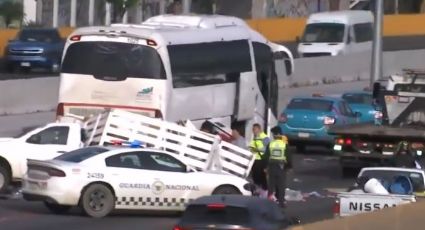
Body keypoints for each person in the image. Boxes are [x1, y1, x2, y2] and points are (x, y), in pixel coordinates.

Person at [263, 126, 291, 208]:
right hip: (282, 167)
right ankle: (281, 202)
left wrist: (265, 167)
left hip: (272, 166)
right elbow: (288, 157)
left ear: (275, 134)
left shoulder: (271, 144)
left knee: (271, 185)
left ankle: (269, 201)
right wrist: (289, 167)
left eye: (273, 134)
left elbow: (266, 157)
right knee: (281, 185)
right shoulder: (284, 144)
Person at [249, 123, 270, 198]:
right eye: (253, 129)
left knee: (262, 177)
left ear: (259, 129)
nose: (253, 131)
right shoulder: (255, 137)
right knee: (255, 176)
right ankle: (257, 191)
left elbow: (267, 149)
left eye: (254, 129)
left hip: (262, 160)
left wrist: (256, 149)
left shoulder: (264, 137)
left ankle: (265, 192)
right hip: (255, 159)